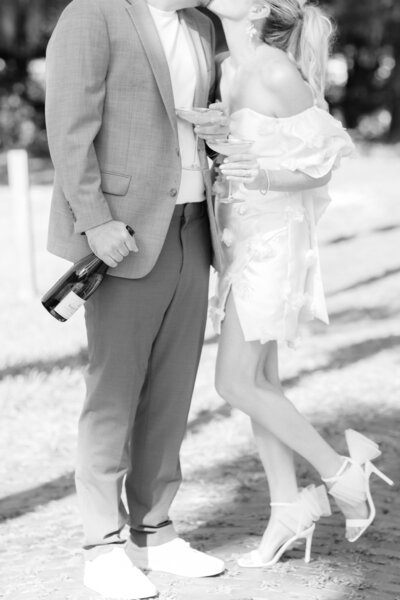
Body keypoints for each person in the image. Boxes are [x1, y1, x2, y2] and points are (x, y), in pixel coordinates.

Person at [203, 0, 394, 568]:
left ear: (260, 9)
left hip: (271, 241)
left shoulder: (274, 71)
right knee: (261, 380)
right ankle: (286, 506)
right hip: (235, 237)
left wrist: (258, 173)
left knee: (233, 382)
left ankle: (341, 472)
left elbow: (326, 158)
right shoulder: (225, 67)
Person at [45, 0, 226, 597]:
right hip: (123, 232)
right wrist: (94, 220)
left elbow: (200, 120)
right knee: (113, 392)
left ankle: (155, 531)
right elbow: (69, 127)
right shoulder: (92, 13)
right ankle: (102, 547)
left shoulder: (201, 25)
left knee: (173, 388)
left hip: (194, 224)